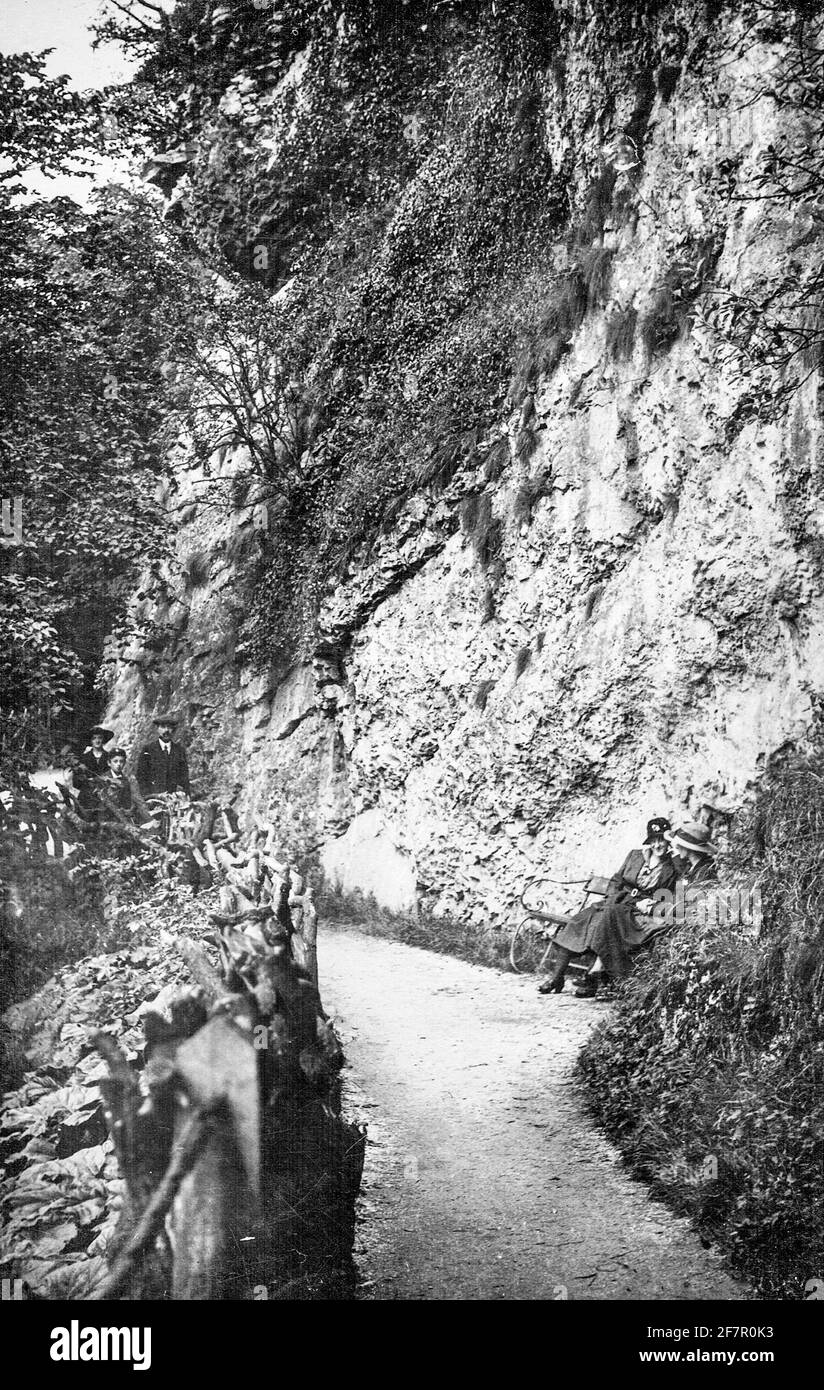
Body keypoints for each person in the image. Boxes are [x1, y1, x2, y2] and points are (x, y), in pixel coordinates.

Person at [538, 816, 680, 997]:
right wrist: (616, 897)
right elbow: (616, 881)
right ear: (649, 841)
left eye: (662, 840)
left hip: (639, 910)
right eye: (654, 840)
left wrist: (674, 851)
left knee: (601, 922)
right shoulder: (635, 856)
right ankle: (558, 977)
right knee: (579, 922)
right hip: (619, 901)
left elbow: (677, 886)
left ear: (668, 842)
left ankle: (590, 980)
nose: (658, 845)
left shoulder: (671, 866)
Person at [136, 714, 190, 798]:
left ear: (173, 729)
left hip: (174, 798)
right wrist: (148, 796)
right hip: (153, 797)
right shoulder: (148, 749)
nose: (166, 730)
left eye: (169, 727)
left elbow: (184, 777)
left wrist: (186, 794)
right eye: (163, 727)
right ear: (157, 729)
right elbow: (141, 776)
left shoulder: (179, 751)